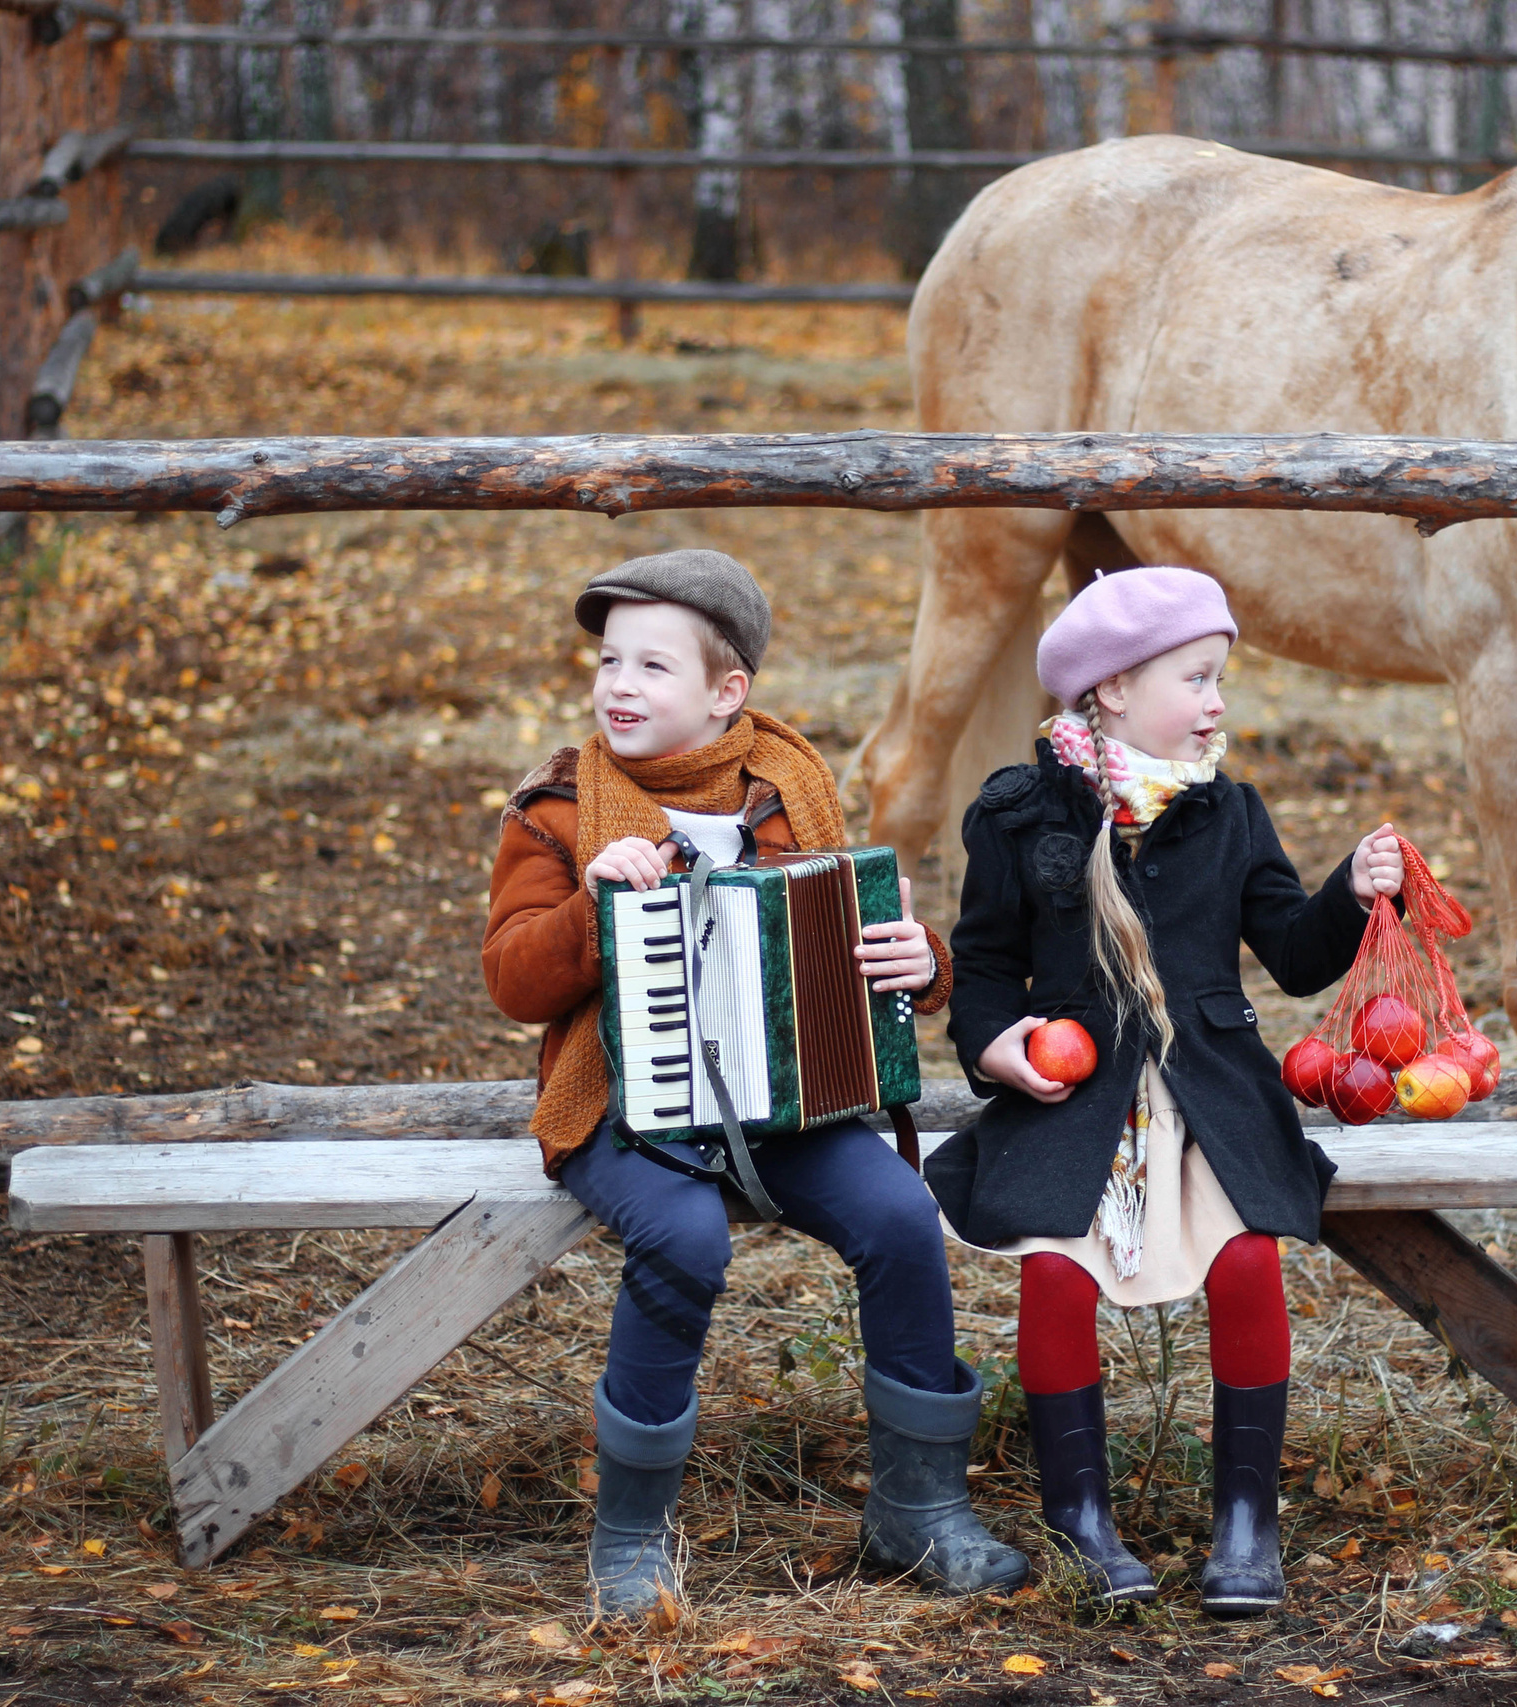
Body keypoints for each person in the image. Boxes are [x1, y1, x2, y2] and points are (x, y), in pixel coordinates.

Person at [481, 548, 1027, 1620]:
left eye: (652, 666)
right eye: (608, 661)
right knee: (683, 1237)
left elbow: (851, 957)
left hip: (781, 1101)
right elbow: (511, 979)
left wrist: (923, 965)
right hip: (623, 1111)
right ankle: (630, 1539)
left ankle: (916, 1512)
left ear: (727, 693)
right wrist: (592, 911)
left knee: (900, 1214)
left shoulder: (789, 791)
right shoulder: (556, 811)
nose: (618, 686)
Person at [927, 566, 1403, 1616]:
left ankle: (1246, 1522)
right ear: (1109, 691)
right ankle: (1079, 1516)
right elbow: (986, 963)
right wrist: (997, 1047)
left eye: (1218, 678)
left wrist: (1349, 894)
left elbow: (1290, 952)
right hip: (1072, 1104)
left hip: (1206, 1103)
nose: (1216, 703)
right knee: (1053, 1275)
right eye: (1194, 679)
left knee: (1244, 1261)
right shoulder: (1018, 814)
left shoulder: (1229, 813)